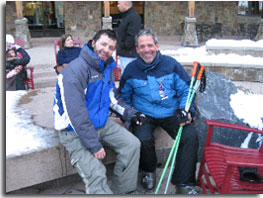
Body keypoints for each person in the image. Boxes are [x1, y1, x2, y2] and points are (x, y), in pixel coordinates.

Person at [53, 29, 143, 194]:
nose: (106, 50)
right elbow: (76, 113)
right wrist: (94, 145)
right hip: (73, 130)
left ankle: (124, 190)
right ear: (93, 43)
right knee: (96, 174)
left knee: (132, 145)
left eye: (111, 47)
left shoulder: (105, 69)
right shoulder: (74, 71)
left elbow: (112, 98)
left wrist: (131, 113)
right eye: (103, 44)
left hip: (100, 123)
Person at [119, 29, 199, 194]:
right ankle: (148, 171)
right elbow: (123, 97)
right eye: (142, 46)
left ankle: (183, 183)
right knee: (143, 138)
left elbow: (186, 90)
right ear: (137, 49)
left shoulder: (171, 64)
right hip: (144, 113)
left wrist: (186, 109)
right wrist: (130, 113)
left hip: (172, 111)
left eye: (150, 45)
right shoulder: (131, 70)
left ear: (157, 45)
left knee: (190, 136)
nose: (146, 50)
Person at [117, 1, 141, 74]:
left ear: (126, 4)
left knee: (129, 77)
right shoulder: (127, 16)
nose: (117, 6)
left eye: (119, 3)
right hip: (125, 54)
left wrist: (122, 45)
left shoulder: (133, 17)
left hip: (129, 55)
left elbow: (132, 36)